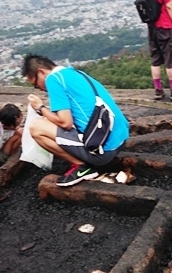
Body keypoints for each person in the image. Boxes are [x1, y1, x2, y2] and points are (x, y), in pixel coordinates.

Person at [21, 54, 129, 187]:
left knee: (36, 127)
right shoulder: (76, 73)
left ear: (41, 72)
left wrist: (40, 107)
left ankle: (82, 167)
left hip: (102, 150)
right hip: (119, 140)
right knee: (47, 121)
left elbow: (66, 123)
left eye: (36, 85)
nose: (40, 89)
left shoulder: (53, 80)